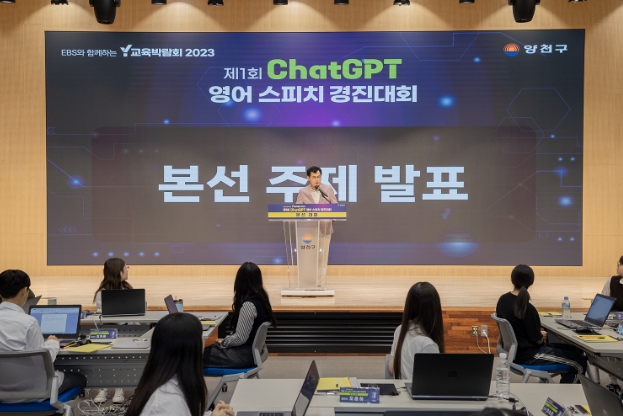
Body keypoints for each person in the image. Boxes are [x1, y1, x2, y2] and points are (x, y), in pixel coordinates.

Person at [0, 269, 87, 403]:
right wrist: (53, 342)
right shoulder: (28, 322)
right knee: (79, 378)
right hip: (35, 392)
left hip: (2, 393)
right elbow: (44, 361)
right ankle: (57, 410)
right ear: (24, 290)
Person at [125, 313, 234, 416]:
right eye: (201, 335)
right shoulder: (168, 403)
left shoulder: (167, 384)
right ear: (189, 347)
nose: (203, 341)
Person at [496, 264, 587, 383]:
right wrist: (540, 336)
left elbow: (521, 329)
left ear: (512, 279)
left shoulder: (502, 300)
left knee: (575, 350)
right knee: (579, 363)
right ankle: (566, 394)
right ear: (531, 282)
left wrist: (537, 335)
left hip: (515, 352)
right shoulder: (527, 308)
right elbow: (538, 341)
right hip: (529, 355)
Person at [203, 262, 276, 369]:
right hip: (248, 354)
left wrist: (224, 342)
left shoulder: (248, 305)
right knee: (197, 353)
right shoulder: (262, 300)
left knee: (192, 355)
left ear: (239, 281)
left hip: (241, 356)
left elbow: (240, 338)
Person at [92, 257, 132, 404]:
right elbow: (107, 318)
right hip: (109, 332)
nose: (128, 270)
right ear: (119, 271)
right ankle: (104, 387)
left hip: (127, 331)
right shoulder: (101, 294)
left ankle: (119, 386)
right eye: (126, 267)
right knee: (106, 355)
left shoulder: (128, 290)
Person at [389, 282, 445, 380]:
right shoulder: (427, 344)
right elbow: (435, 381)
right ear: (435, 309)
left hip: (401, 388)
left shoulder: (400, 330)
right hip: (416, 390)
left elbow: (391, 368)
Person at [295, 166, 338, 286]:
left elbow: (335, 206)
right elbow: (297, 210)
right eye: (314, 177)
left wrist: (332, 218)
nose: (317, 180)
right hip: (309, 231)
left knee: (322, 257)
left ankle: (320, 283)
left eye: (318, 177)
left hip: (325, 227)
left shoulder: (327, 189)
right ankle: (308, 282)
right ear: (308, 178)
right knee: (309, 257)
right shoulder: (303, 192)